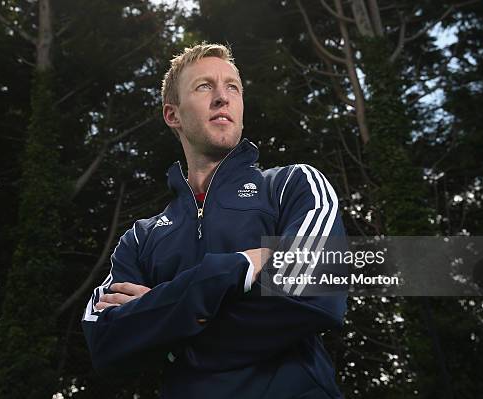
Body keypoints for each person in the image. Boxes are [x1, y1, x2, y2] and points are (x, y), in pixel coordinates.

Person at [82, 43, 348, 399]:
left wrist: (171, 333)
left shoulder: (293, 185)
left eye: (233, 87)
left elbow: (314, 291)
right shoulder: (141, 238)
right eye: (204, 86)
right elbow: (106, 340)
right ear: (172, 115)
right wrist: (241, 267)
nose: (223, 97)